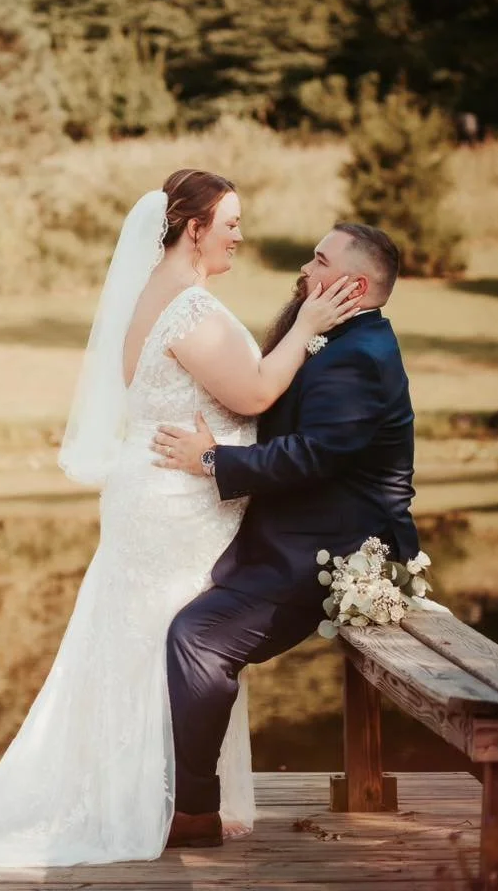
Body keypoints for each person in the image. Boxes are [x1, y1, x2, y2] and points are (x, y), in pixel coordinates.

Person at [0, 170, 362, 866]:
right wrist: (307, 324)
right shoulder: (187, 310)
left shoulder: (153, 299)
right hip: (176, 503)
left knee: (146, 641)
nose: (241, 236)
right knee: (175, 645)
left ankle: (164, 795)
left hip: (156, 494)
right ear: (194, 229)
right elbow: (249, 394)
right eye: (232, 223)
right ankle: (158, 801)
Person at [152, 221, 419, 849]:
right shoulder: (338, 340)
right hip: (300, 537)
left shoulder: (362, 357)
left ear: (352, 285)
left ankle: (193, 812)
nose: (306, 267)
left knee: (197, 639)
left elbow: (313, 456)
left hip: (335, 553)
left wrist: (214, 461)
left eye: (318, 260)